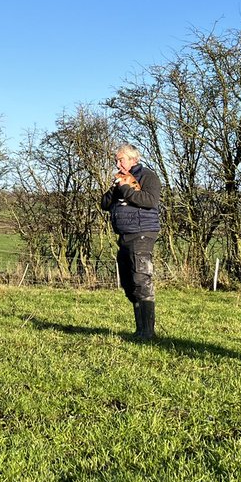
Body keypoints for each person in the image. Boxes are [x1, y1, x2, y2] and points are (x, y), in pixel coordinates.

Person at [100, 143, 162, 340]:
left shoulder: (148, 176)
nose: (118, 163)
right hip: (124, 235)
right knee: (129, 284)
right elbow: (104, 204)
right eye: (116, 160)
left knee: (141, 280)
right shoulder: (119, 180)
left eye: (121, 159)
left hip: (142, 233)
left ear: (134, 159)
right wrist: (115, 187)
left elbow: (150, 201)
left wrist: (126, 189)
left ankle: (147, 333)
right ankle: (140, 329)